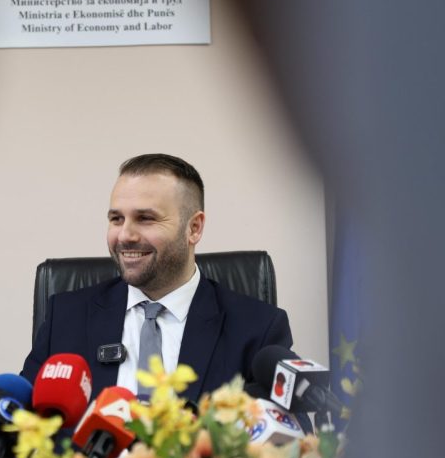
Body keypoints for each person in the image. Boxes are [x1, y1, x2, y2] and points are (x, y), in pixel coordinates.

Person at [20, 154, 293, 402]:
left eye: (145, 219)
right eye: (116, 219)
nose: (125, 235)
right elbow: (22, 421)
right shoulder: (66, 319)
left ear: (194, 228)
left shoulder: (258, 329)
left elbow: (288, 433)